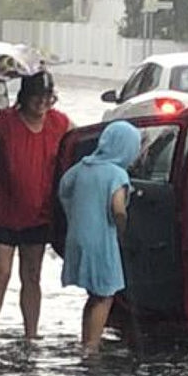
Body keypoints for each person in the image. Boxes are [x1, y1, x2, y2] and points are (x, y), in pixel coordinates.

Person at [0, 70, 71, 345]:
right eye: (37, 97)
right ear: (25, 97)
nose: (43, 103)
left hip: (38, 212)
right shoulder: (6, 121)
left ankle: (31, 334)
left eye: (48, 97)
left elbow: (81, 145)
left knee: (32, 274)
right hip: (2, 209)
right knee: (1, 272)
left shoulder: (60, 123)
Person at [58, 121, 142, 355]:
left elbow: (63, 190)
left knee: (93, 294)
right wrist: (123, 230)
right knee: (105, 294)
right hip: (102, 241)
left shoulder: (81, 168)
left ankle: (87, 340)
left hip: (77, 238)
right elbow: (118, 209)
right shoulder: (117, 174)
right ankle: (91, 347)